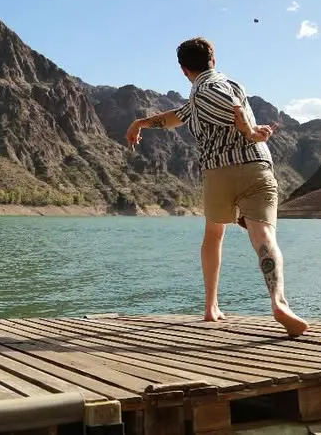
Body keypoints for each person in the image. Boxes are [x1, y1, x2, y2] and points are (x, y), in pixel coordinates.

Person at [125, 37, 309, 337]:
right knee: (263, 235)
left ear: (184, 69)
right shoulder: (214, 89)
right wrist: (141, 123)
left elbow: (227, 105)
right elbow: (178, 117)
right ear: (213, 59)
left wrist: (248, 129)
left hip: (218, 171)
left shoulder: (207, 88)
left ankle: (211, 306)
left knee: (213, 235)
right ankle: (277, 301)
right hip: (254, 168)